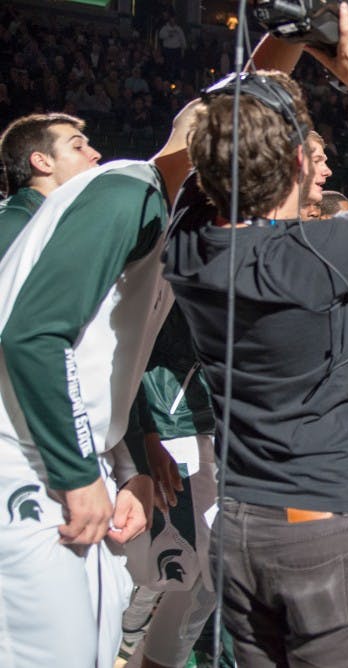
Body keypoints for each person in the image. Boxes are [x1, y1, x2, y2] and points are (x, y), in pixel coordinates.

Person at [160, 3, 348, 665]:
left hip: (241, 530)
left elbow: (218, 121)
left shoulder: (187, 238)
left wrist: (287, 33)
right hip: (326, 534)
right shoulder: (314, 253)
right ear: (301, 163)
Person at [0, 89, 197, 668]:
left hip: (77, 448)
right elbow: (31, 339)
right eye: (79, 145)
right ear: (39, 162)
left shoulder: (132, 214)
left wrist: (128, 464)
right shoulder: (36, 221)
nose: (96, 154)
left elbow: (102, 360)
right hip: (29, 452)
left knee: (97, 645)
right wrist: (78, 469)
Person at [120, 305, 218, 668]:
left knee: (204, 576)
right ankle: (129, 635)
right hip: (173, 429)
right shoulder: (172, 268)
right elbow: (130, 350)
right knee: (164, 570)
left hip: (202, 429)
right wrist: (148, 435)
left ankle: (134, 641)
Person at [0, 112, 101, 259]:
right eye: (78, 147)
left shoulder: (58, 218)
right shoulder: (14, 221)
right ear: (42, 162)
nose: (96, 154)